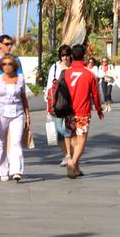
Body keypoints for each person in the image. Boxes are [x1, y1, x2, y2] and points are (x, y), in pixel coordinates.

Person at [63, 43, 103, 179]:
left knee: (73, 138)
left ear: (72, 56)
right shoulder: (89, 74)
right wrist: (99, 109)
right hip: (83, 113)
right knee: (81, 140)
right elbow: (95, 95)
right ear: (84, 56)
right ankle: (72, 163)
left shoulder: (66, 73)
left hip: (69, 112)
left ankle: (76, 169)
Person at [0, 54, 31, 182]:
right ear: (1, 66)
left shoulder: (21, 79)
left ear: (14, 65)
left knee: (16, 141)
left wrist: (27, 116)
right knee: (1, 142)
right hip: (1, 114)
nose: (7, 66)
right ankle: (3, 170)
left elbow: (24, 98)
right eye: (5, 64)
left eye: (10, 64)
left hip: (17, 113)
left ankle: (16, 170)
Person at [46, 44, 73, 167]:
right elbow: (49, 86)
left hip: (71, 103)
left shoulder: (73, 67)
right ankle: (66, 155)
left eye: (67, 55)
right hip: (56, 103)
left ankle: (69, 155)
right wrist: (48, 104)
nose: (65, 58)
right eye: (62, 55)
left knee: (68, 130)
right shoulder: (55, 67)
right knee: (60, 130)